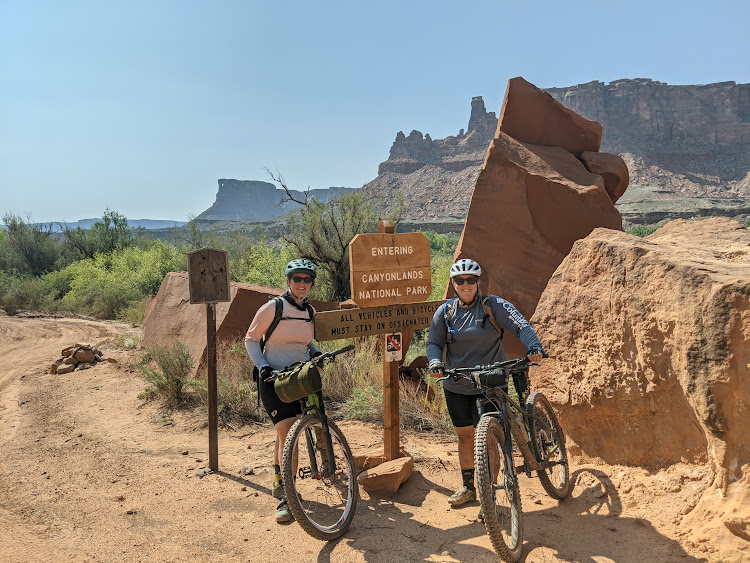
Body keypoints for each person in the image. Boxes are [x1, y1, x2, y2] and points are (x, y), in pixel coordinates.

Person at [426, 258, 544, 509]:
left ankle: (489, 493)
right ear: (453, 284)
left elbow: (521, 325)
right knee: (465, 436)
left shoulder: (494, 306)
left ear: (478, 282)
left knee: (490, 437)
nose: (465, 285)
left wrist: (533, 346)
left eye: (471, 280)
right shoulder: (445, 312)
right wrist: (435, 362)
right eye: (460, 280)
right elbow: (434, 343)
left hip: (491, 382)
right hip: (458, 384)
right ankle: (469, 488)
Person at [245, 258, 322, 523]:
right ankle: (287, 498)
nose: (302, 284)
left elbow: (308, 342)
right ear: (288, 281)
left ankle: (280, 481)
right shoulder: (273, 308)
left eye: (307, 279)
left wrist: (316, 353)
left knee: (285, 436)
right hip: (273, 381)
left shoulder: (309, 312)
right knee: (290, 434)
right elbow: (251, 339)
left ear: (311, 283)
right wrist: (263, 366)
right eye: (297, 279)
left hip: (299, 380)